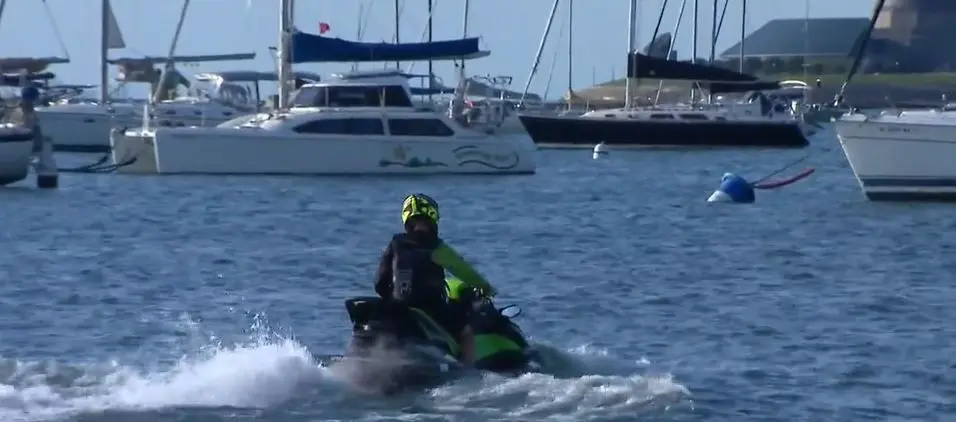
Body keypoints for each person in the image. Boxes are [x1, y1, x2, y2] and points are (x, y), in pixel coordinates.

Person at [374, 193, 496, 364]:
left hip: (398, 306)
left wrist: (392, 298)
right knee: (466, 332)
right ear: (433, 218)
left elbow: (379, 283)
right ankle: (468, 372)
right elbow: (464, 272)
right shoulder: (436, 247)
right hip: (431, 309)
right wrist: (486, 288)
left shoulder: (395, 243)